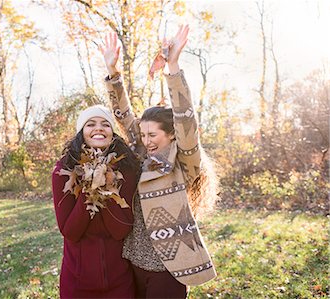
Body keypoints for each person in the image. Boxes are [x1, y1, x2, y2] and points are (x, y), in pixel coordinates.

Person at [100, 25, 219, 298]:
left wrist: (173, 67)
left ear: (171, 134)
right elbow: (123, 113)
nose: (146, 140)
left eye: (152, 134)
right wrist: (113, 72)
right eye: (142, 134)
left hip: (170, 268)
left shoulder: (184, 159)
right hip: (131, 261)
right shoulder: (140, 155)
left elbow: (185, 117)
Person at [52, 105, 141, 298]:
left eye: (105, 124)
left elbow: (121, 230)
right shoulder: (64, 170)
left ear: (112, 133)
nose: (98, 128)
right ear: (81, 132)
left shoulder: (127, 169)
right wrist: (91, 190)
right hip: (77, 281)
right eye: (90, 124)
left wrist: (107, 186)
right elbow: (70, 231)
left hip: (120, 281)